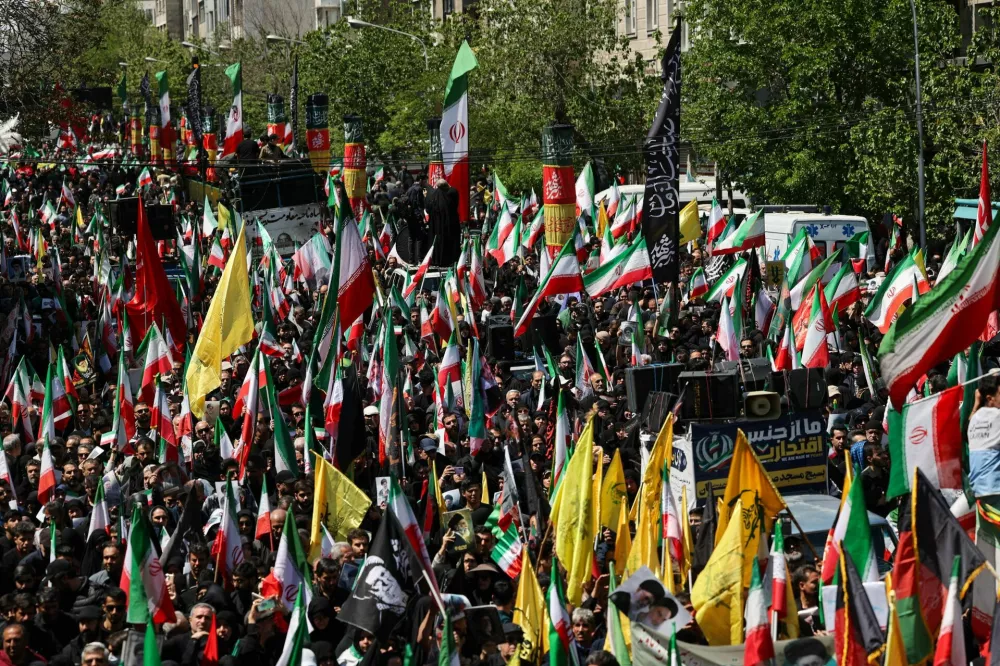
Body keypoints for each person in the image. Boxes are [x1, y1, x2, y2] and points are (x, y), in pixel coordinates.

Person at [424, 179, 460, 266]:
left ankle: (436, 260)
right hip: (449, 225)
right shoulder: (451, 195)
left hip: (435, 227)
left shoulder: (432, 196)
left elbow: (428, 209)